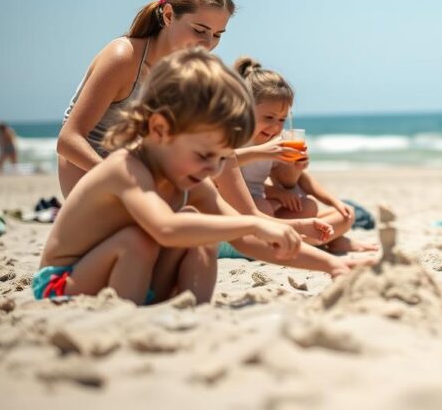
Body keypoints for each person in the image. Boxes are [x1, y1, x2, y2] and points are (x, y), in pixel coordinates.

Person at [34, 48, 307, 305]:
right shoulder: (126, 169)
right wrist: (253, 225)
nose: (213, 169)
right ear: (161, 130)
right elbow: (165, 228)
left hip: (135, 276)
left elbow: (243, 237)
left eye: (221, 157)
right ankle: (127, 318)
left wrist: (332, 264)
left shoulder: (190, 180)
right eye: (203, 155)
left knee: (201, 232)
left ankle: (194, 312)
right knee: (138, 239)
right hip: (62, 283)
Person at [58, 0, 236, 196]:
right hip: (91, 178)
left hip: (136, 175)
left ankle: (255, 220)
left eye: (217, 35)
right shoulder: (124, 57)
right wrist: (122, 180)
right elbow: (68, 140)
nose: (208, 44)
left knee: (211, 182)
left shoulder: (185, 73)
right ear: (169, 15)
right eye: (199, 30)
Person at [232, 57, 377, 253]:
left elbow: (297, 183)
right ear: (244, 108)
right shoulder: (234, 137)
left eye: (282, 119)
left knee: (324, 209)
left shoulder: (274, 142)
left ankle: (312, 240)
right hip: (241, 212)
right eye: (269, 117)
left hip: (267, 210)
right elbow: (220, 165)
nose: (276, 126)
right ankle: (324, 242)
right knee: (264, 207)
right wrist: (276, 191)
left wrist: (297, 171)